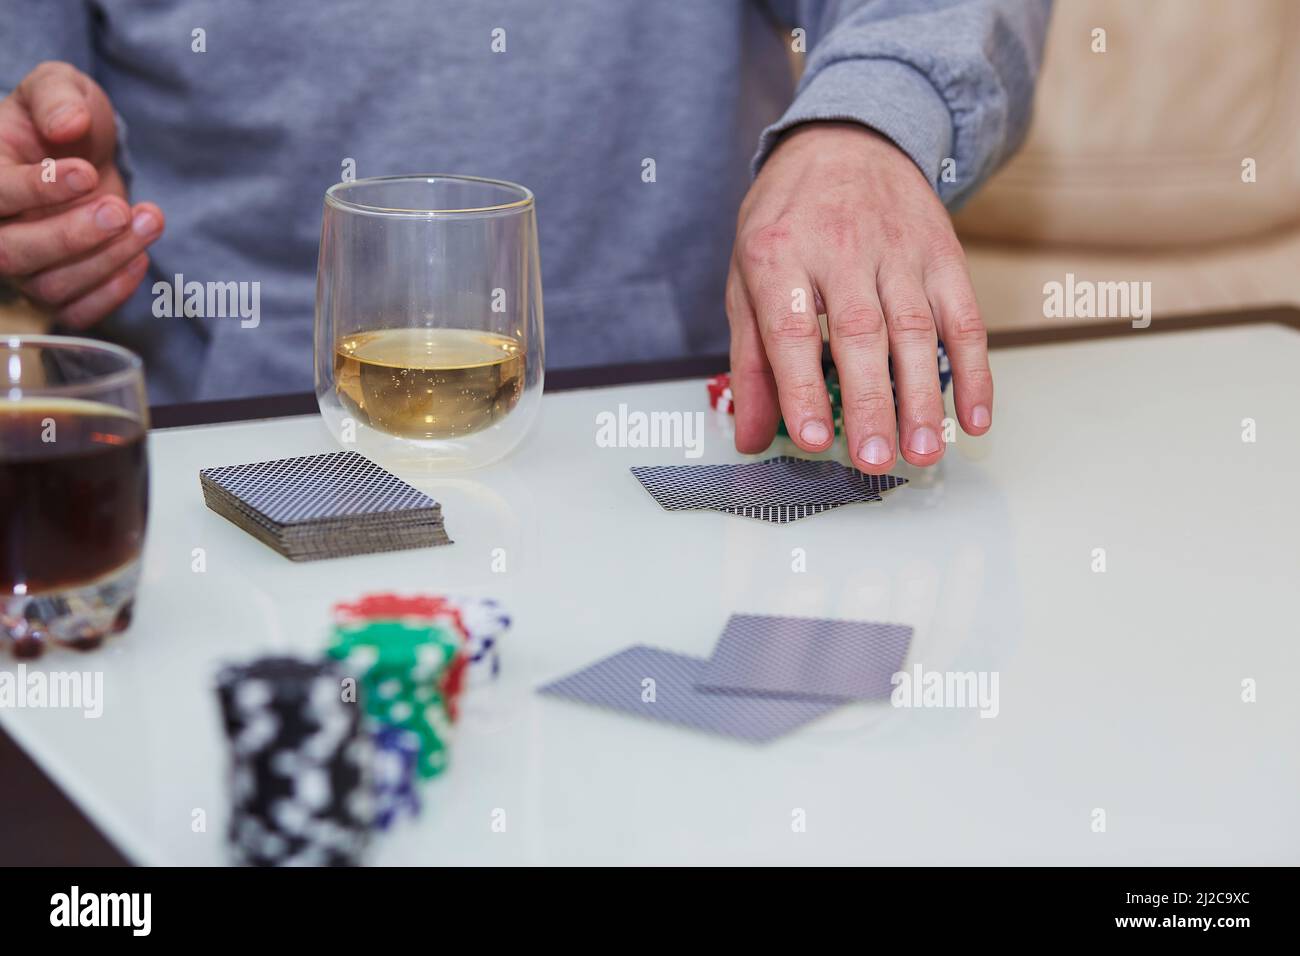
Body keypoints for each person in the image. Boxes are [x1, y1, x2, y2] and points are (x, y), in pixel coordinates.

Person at [0, 0, 1050, 474]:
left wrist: (862, 127)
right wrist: (43, 187)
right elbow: (25, 97)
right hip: (215, 447)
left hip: (692, 442)